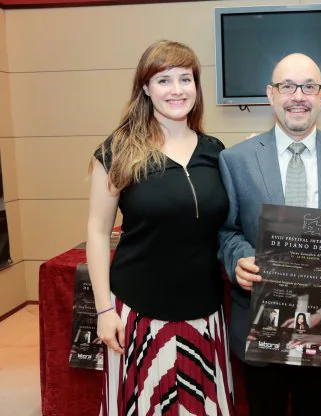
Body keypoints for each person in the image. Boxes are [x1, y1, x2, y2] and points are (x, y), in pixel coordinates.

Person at [218, 53, 321, 416]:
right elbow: (227, 230)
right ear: (271, 94)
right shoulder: (236, 160)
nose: (298, 96)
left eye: (308, 86)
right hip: (263, 321)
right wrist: (238, 259)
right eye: (287, 86)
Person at [86, 40, 235, 416]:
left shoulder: (217, 152)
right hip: (137, 312)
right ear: (145, 88)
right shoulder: (118, 150)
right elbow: (98, 231)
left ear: (197, 89)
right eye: (163, 80)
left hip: (204, 312)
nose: (176, 89)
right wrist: (104, 310)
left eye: (186, 79)